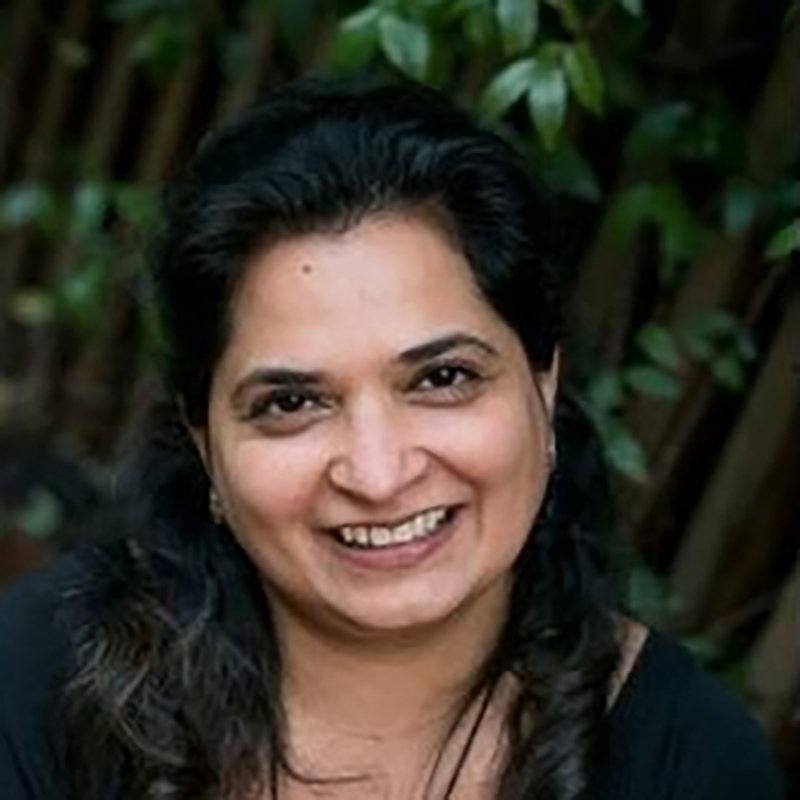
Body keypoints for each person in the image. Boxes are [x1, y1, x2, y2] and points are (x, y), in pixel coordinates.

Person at [0, 78, 784, 800]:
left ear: (543, 384)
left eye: (442, 378)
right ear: (205, 442)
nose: (378, 475)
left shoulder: (692, 766)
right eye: (292, 402)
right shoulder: (36, 684)